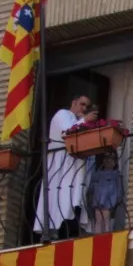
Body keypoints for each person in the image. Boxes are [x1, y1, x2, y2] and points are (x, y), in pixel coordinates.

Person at [35, 92, 97, 239]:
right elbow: (66, 132)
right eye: (82, 104)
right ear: (73, 103)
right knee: (60, 196)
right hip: (60, 163)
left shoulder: (77, 120)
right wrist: (84, 120)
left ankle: (68, 228)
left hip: (73, 164)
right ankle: (57, 230)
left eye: (87, 107)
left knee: (71, 198)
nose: (84, 109)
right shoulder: (62, 114)